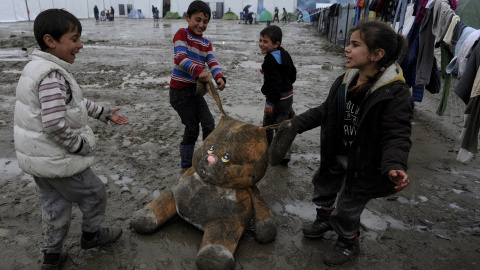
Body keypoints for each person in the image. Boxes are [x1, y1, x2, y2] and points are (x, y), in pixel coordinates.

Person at [271, 19, 413, 266]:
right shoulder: (345, 81)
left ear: (376, 55)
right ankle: (324, 217)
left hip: (364, 163)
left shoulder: (395, 94)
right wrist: (295, 124)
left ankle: (348, 240)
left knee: (349, 204)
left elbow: (397, 134)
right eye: (349, 43)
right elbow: (326, 111)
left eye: (355, 44)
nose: (347, 48)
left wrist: (394, 164)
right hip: (337, 151)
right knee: (323, 184)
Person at [14, 9, 128, 269]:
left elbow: (72, 101)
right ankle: (91, 235)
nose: (80, 45)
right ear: (50, 41)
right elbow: (54, 123)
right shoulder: (52, 76)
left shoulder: (37, 68)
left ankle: (52, 256)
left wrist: (102, 113)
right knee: (95, 193)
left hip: (39, 161)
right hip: (58, 159)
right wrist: (81, 146)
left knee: (55, 205)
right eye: (74, 39)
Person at [169, 0, 226, 168]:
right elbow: (180, 58)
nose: (201, 24)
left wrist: (219, 77)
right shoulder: (182, 34)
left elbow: (212, 61)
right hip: (179, 93)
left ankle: (205, 157)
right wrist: (198, 71)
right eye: (198, 19)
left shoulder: (206, 43)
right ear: (188, 17)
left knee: (209, 123)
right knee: (192, 127)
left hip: (195, 92)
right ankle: (186, 163)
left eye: (205, 21)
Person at [259, 25, 296, 163]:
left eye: (265, 41)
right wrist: (288, 83)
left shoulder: (269, 61)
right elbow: (292, 72)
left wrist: (270, 102)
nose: (261, 44)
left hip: (276, 99)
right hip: (288, 96)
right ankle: (284, 152)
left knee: (268, 123)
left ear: (276, 44)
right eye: (260, 40)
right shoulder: (284, 53)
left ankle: (267, 149)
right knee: (283, 123)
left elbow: (274, 84)